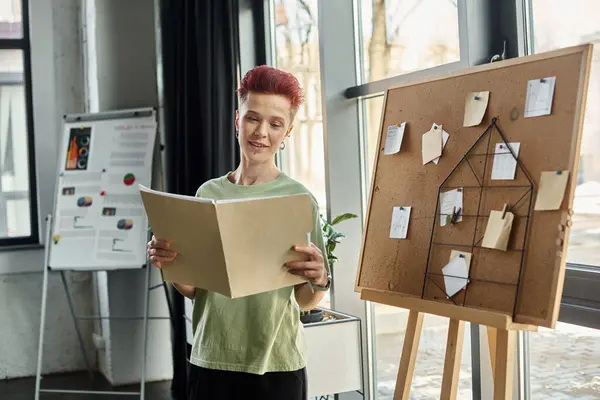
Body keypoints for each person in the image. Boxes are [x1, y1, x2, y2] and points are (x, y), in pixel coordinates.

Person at [147, 65, 330, 400]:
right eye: (252, 118)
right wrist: (169, 263)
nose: (261, 132)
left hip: (277, 364)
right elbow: (197, 290)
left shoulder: (299, 200)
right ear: (237, 120)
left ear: (287, 131)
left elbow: (305, 301)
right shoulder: (208, 195)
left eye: (275, 124)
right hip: (211, 358)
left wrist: (319, 281)